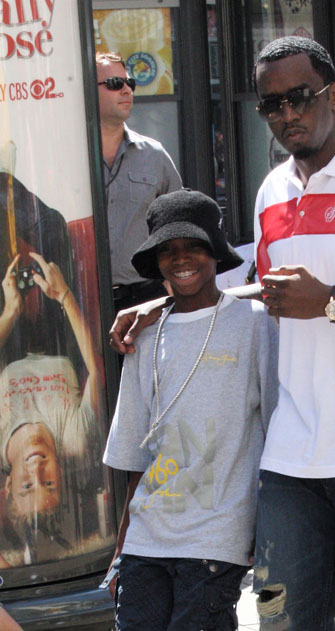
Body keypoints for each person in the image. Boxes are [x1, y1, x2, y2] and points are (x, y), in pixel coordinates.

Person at [109, 37, 335, 631]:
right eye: (270, 105)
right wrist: (164, 304)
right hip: (293, 454)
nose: (286, 115)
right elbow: (274, 295)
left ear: (333, 93)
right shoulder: (273, 189)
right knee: (279, 619)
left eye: (299, 97)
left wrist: (332, 302)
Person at [102, 189, 279, 630]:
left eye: (194, 246)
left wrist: (269, 527)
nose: (181, 258)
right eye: (168, 249)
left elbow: (278, 431)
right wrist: (122, 549)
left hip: (217, 536)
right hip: (147, 536)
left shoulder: (254, 324)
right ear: (156, 260)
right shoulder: (142, 337)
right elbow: (135, 457)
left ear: (216, 252)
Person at [0, 252, 101, 565]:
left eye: (27, 485)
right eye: (49, 483)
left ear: (7, 485)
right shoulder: (74, 441)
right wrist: (64, 296)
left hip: (7, 339)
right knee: (51, 252)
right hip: (62, 328)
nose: (37, 469)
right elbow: (97, 370)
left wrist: (11, 311)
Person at [96, 52, 183, 312]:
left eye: (129, 83)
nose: (126, 90)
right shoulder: (68, 156)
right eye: (114, 83)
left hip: (146, 300)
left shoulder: (154, 154)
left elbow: (177, 222)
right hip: (83, 304)